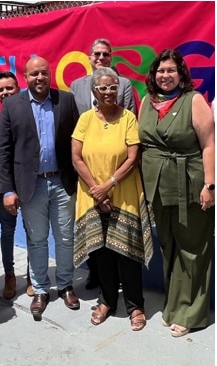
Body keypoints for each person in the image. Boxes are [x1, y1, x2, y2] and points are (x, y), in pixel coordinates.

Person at [138, 49, 215, 337]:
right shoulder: (147, 101)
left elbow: (209, 145)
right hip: (157, 188)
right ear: (153, 74)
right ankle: (173, 305)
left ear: (181, 74)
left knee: (192, 248)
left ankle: (192, 314)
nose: (165, 76)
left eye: (171, 70)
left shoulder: (193, 101)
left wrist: (210, 186)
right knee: (168, 245)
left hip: (190, 185)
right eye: (160, 71)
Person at [0, 56, 80, 321]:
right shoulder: (12, 105)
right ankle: (42, 289)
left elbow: (78, 142)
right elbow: (5, 151)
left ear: (49, 73)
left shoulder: (65, 100)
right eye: (34, 74)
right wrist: (8, 190)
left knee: (66, 237)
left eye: (44, 73)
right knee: (37, 239)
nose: (40, 78)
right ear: (25, 77)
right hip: (30, 186)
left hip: (62, 181)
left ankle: (66, 285)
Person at [71, 67, 153, 331]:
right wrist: (97, 190)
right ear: (94, 91)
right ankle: (107, 300)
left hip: (123, 192)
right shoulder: (85, 119)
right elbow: (76, 157)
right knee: (103, 252)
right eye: (103, 88)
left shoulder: (128, 117)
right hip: (93, 193)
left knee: (127, 251)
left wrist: (109, 185)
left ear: (118, 89)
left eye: (112, 87)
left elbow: (132, 157)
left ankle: (135, 305)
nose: (108, 92)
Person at [70, 38, 137, 290]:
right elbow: (77, 132)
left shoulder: (125, 85)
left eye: (106, 54)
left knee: (119, 231)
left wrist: (110, 182)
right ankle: (96, 275)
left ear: (111, 57)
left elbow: (128, 122)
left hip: (119, 175)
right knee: (94, 230)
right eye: (96, 53)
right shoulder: (76, 86)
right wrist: (94, 184)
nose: (101, 58)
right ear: (88, 57)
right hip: (89, 175)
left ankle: (120, 279)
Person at [0, 71, 33, 299]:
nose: (5, 93)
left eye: (9, 88)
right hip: (4, 184)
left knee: (31, 230)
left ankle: (31, 274)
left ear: (18, 88)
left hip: (27, 183)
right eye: (1, 89)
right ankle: (10, 275)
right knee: (7, 231)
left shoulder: (28, 113)